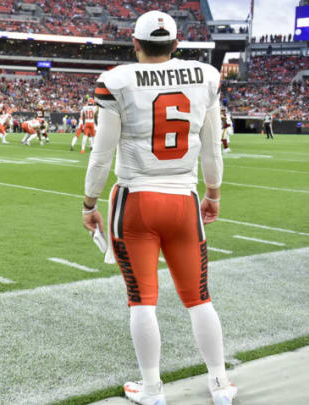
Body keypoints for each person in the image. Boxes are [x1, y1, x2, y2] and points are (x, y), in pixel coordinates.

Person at [81, 11, 236, 405]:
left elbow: (101, 155)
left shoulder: (118, 80)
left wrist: (89, 203)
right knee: (200, 297)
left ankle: (152, 390)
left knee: (142, 300)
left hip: (137, 200)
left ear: (135, 44)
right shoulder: (205, 76)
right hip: (184, 199)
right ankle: (220, 384)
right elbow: (213, 148)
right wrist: (213, 195)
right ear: (176, 44)